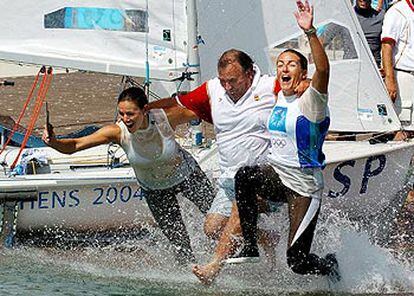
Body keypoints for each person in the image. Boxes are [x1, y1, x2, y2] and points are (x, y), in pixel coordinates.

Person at [193, 0, 339, 285]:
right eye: (281, 63)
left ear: (303, 74)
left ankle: (330, 266)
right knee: (245, 176)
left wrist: (310, 33)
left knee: (297, 261)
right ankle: (249, 246)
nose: (284, 68)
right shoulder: (279, 96)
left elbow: (323, 70)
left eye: (292, 64)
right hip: (277, 174)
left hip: (303, 185)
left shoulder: (313, 99)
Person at [42, 86, 215, 264]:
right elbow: (75, 145)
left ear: (144, 110)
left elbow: (208, 110)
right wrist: (54, 142)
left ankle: (235, 253)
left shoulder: (165, 117)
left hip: (187, 175)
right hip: (155, 189)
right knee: (180, 244)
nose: (126, 119)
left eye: (131, 114)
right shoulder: (117, 132)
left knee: (219, 220)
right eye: (122, 113)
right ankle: (192, 273)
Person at [381, 0, 414, 132]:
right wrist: (390, 79)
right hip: (403, 76)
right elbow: (386, 45)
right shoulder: (397, 12)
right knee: (405, 128)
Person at [354, 0, 385, 67]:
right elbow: (327, 38)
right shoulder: (348, 17)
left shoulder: (381, 17)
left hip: (374, 66)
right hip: (352, 65)